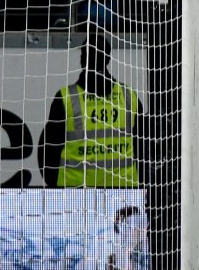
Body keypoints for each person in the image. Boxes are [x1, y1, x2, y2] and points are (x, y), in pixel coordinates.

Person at [39, 28, 142, 188]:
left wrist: (55, 187)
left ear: (82, 59)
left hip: (74, 193)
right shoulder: (129, 97)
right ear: (108, 59)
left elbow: (47, 150)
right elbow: (143, 146)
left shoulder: (66, 98)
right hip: (124, 190)